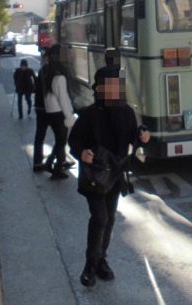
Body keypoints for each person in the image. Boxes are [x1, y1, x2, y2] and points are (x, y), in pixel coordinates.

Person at [68, 65, 151, 288]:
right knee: (100, 218)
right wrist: (81, 153)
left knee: (110, 218)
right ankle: (90, 265)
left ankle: (101, 261)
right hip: (94, 175)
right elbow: (74, 141)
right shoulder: (88, 114)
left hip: (115, 174)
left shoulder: (126, 112)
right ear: (99, 88)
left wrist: (143, 137)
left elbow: (133, 138)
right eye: (110, 85)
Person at [40, 45, 76, 179]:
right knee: (61, 142)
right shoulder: (60, 77)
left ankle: (52, 164)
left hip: (50, 112)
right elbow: (63, 99)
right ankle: (55, 167)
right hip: (59, 113)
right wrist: (69, 117)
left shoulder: (47, 73)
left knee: (59, 141)